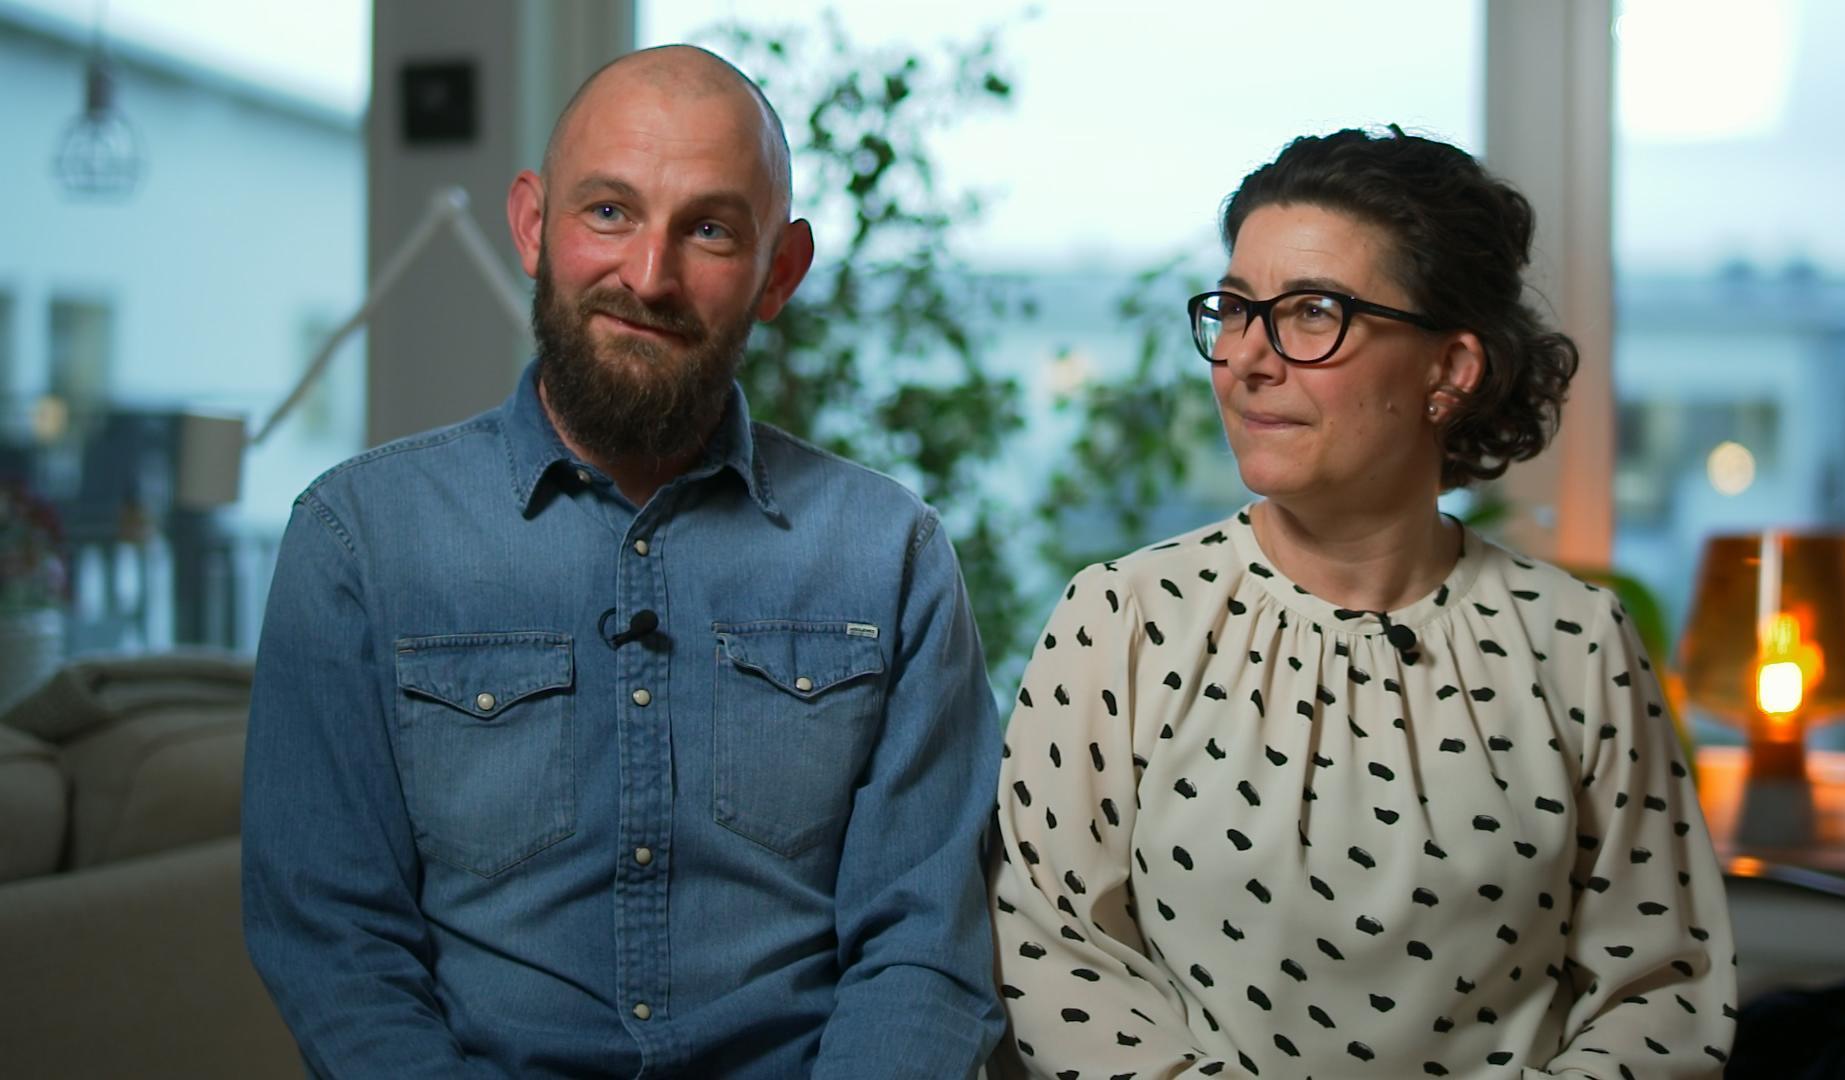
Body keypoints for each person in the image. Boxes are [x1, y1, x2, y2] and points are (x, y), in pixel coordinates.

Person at [242, 45, 1004, 1079]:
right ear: (532, 226)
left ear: (780, 271)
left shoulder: (890, 555)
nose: (648, 278)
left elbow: (924, 950)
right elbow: (335, 946)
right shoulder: (356, 541)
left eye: (709, 229)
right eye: (609, 212)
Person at [990, 128, 1736, 1078]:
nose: (1247, 358)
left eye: (1310, 313)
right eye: (1233, 309)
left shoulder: (1578, 642)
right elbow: (1059, 962)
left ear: (1451, 369)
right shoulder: (1121, 621)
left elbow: (1662, 990)